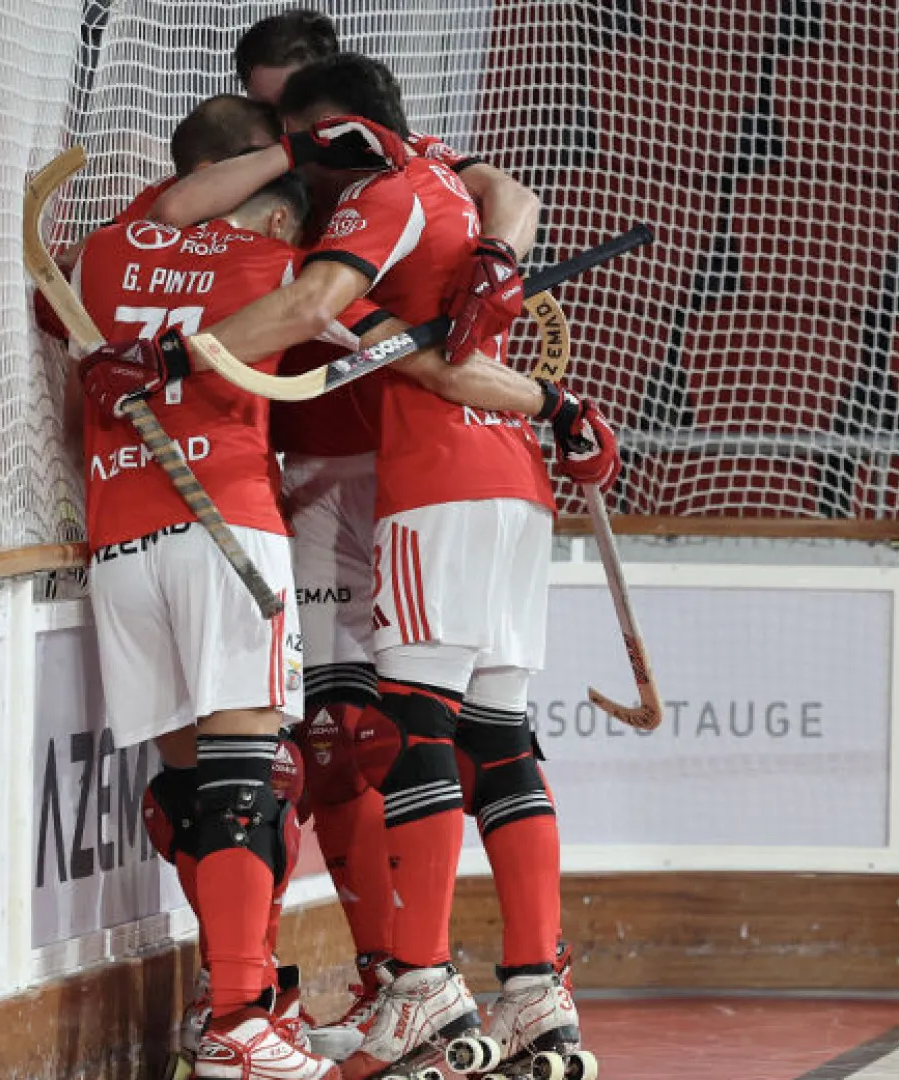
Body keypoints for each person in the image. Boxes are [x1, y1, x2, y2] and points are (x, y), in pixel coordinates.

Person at [185, 55, 619, 1080]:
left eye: (296, 136)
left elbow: (388, 341)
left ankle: (421, 981)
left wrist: (178, 361)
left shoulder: (379, 195)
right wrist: (552, 403)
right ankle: (532, 988)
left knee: (411, 725)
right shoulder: (440, 191)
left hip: (435, 475)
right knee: (497, 735)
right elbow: (495, 226)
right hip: (509, 481)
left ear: (332, 128)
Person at [67, 97, 397, 1080]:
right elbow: (378, 340)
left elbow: (145, 243)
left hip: (119, 541)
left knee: (187, 794)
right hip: (228, 534)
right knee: (254, 782)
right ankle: (240, 1023)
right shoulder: (270, 268)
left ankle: (238, 1004)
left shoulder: (99, 254)